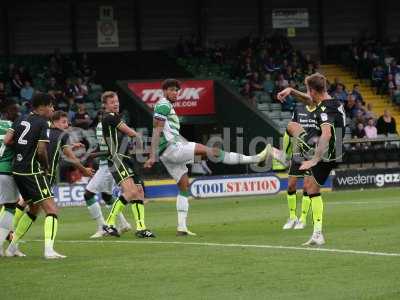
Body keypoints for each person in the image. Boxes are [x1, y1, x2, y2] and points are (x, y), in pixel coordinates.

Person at [144, 79, 273, 236]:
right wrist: (152, 156)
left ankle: (182, 227)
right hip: (172, 149)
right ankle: (255, 159)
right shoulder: (163, 105)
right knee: (213, 152)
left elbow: (162, 130)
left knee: (183, 186)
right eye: (171, 90)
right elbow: (157, 130)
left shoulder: (164, 105)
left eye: (177, 90)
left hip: (167, 153)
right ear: (164, 91)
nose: (175, 93)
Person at [278, 73, 345, 246]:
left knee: (292, 126)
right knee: (310, 186)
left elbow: (327, 134)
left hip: (327, 153)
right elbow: (309, 100)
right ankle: (317, 234)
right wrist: (291, 91)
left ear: (314, 91)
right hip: (334, 151)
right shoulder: (332, 101)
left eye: (309, 90)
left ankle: (283, 155)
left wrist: (315, 159)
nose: (308, 94)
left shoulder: (325, 109)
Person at [4, 93, 66, 259]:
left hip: (17, 170)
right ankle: (49, 251)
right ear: (43, 106)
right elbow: (41, 150)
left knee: (33, 208)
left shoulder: (20, 119)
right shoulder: (42, 123)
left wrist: (21, 149)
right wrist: (45, 167)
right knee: (52, 209)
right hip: (32, 171)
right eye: (51, 106)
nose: (52, 109)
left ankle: (12, 248)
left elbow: (7, 140)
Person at [100, 91, 155, 238]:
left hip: (125, 158)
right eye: (112, 102)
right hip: (117, 159)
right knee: (130, 192)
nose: (116, 104)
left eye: (117, 101)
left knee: (139, 192)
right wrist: (139, 138)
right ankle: (109, 224)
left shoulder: (113, 118)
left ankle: (141, 228)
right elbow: (131, 133)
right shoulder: (110, 117)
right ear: (105, 106)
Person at [84, 111, 133, 239]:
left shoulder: (105, 127)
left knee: (88, 194)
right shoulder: (107, 127)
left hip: (108, 165)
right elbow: (105, 148)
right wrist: (91, 152)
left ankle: (102, 227)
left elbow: (110, 151)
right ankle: (123, 224)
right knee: (107, 196)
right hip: (109, 165)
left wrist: (93, 155)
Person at [281, 102, 320, 230]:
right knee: (291, 184)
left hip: (312, 152)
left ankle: (302, 219)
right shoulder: (299, 109)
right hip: (298, 151)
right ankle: (292, 217)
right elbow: (292, 128)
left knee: (306, 186)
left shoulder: (321, 111)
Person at [0, 100, 21, 256]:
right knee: (10, 207)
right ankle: (0, 244)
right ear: (8, 112)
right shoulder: (14, 127)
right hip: (6, 170)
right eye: (15, 111)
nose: (18, 113)